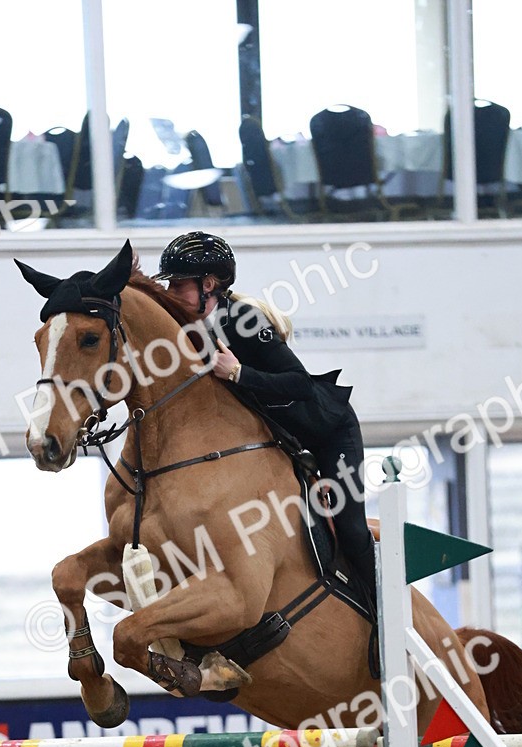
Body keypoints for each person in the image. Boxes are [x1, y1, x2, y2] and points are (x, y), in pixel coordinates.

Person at [155, 230, 377, 607]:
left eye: (178, 285)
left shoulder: (242, 317)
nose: (171, 292)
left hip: (329, 432)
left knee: (353, 528)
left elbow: (299, 384)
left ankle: (381, 611)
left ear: (208, 285)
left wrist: (239, 372)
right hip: (282, 435)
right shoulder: (191, 328)